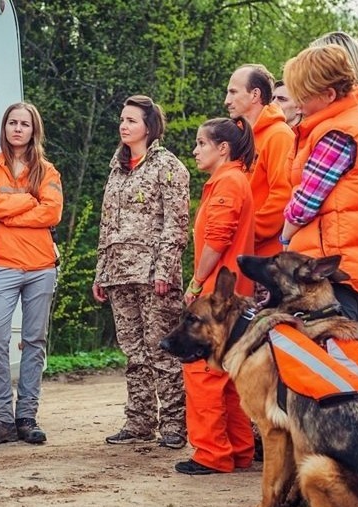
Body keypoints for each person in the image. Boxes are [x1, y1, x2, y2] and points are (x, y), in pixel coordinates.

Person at [279, 44, 358, 345]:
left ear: (329, 95)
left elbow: (306, 202)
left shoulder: (335, 134)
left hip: (335, 262)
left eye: (304, 96)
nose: (299, 104)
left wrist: (285, 238)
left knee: (337, 350)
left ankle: (355, 394)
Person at [94, 95, 190, 450]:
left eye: (131, 120)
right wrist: (101, 272)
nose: (124, 126)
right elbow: (107, 226)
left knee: (161, 351)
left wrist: (165, 269)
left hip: (154, 276)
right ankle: (139, 421)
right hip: (119, 274)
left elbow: (176, 225)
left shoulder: (168, 166)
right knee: (133, 353)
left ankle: (174, 425)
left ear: (149, 127)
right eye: (122, 119)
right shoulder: (116, 169)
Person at [0, 102, 63, 447]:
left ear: (33, 130)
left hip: (41, 267)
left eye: (25, 123)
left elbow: (52, 212)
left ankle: (26, 417)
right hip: (2, 264)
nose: (18, 128)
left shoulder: (48, 171)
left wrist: (10, 213)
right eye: (13, 122)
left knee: (34, 342)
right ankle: (1, 419)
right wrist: (29, 201)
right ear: (5, 127)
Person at [177, 116, 257, 475]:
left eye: (201, 144)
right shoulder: (231, 180)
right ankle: (239, 451)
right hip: (233, 295)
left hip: (218, 296)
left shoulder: (227, 182)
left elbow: (218, 239)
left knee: (203, 371)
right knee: (226, 375)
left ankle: (211, 453)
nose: (195, 151)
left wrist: (195, 283)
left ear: (223, 148)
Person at [225, 64, 294, 257]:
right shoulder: (238, 137)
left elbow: (283, 197)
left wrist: (246, 234)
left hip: (265, 259)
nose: (226, 101)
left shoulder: (279, 135)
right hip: (237, 251)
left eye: (233, 92)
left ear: (254, 95)